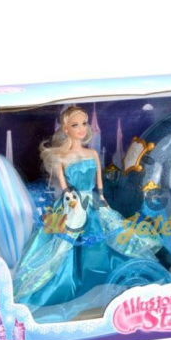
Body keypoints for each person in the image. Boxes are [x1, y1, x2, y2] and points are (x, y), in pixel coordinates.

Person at [13, 106, 161, 323]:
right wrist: (70, 199)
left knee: (109, 236)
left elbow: (99, 180)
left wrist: (101, 198)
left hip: (92, 200)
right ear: (66, 129)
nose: (82, 129)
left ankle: (113, 282)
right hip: (72, 202)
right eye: (75, 125)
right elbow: (64, 185)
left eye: (84, 123)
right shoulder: (61, 157)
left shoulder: (92, 154)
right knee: (61, 245)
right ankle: (62, 288)